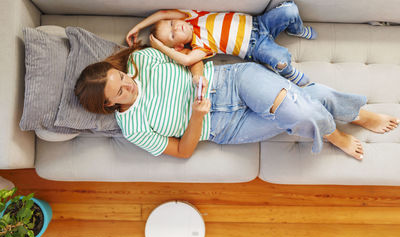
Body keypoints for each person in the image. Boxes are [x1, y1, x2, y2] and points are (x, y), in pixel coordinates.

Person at [75, 46, 399, 160]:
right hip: (223, 126)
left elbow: (194, 58)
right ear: (108, 106)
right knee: (302, 103)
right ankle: (354, 113)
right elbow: (183, 151)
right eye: (118, 93)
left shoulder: (143, 60)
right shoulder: (132, 127)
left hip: (230, 82)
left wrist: (198, 77)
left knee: (295, 109)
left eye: (120, 77)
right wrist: (197, 116)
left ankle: (333, 134)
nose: (127, 85)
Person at [125, 1, 317, 86]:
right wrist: (161, 47)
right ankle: (288, 72)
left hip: (260, 23)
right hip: (254, 47)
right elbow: (186, 61)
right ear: (177, 47)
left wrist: (138, 27)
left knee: (290, 10)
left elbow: (163, 14)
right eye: (173, 35)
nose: (177, 28)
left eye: (173, 24)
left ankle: (295, 29)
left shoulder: (192, 16)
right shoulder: (200, 46)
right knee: (281, 59)